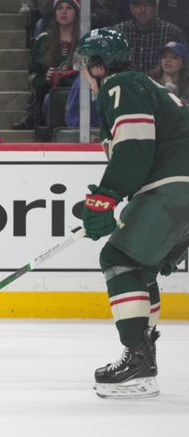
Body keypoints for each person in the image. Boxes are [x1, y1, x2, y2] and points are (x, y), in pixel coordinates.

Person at [74, 28, 189, 399]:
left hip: (176, 186)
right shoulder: (144, 87)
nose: (82, 74)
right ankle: (144, 359)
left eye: (83, 66)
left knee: (118, 257)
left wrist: (107, 196)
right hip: (176, 185)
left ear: (97, 65)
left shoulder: (120, 85)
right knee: (141, 266)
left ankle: (137, 361)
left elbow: (136, 145)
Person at [13, 0, 80, 131]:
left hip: (79, 94)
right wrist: (46, 78)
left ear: (76, 13)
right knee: (51, 99)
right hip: (49, 95)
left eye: (69, 8)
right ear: (54, 13)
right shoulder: (43, 39)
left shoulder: (85, 40)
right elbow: (33, 74)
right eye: (59, 8)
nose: (63, 11)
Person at [111, 0, 186, 74]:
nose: (142, 10)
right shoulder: (118, 32)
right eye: (138, 5)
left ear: (155, 7)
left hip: (162, 85)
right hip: (124, 84)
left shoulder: (172, 33)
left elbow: (185, 69)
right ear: (131, 9)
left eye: (147, 4)